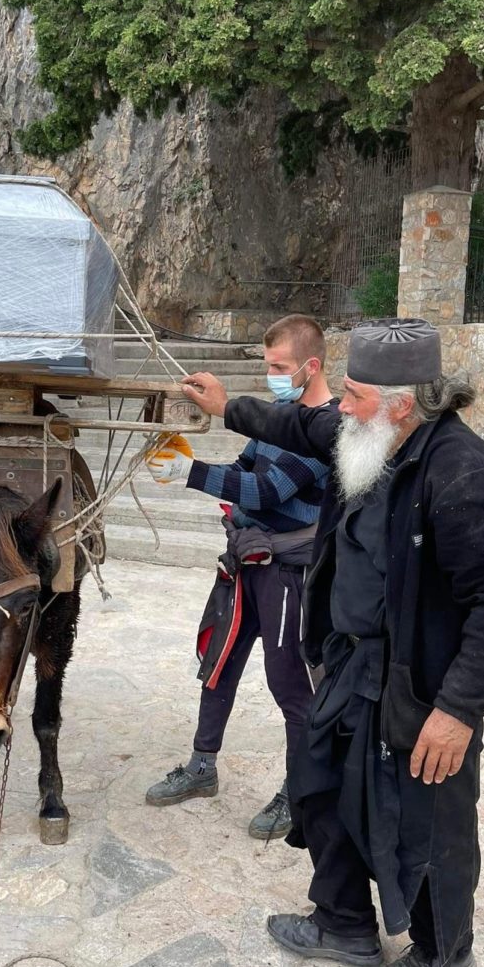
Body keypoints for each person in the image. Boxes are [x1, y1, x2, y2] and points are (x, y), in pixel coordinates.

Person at [180, 318, 484, 967]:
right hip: (347, 666)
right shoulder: (360, 434)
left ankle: (444, 950)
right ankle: (343, 923)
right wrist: (226, 408)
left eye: (355, 395)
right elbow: (295, 424)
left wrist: (458, 711)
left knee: (428, 818)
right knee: (319, 787)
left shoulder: (464, 474)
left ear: (404, 403)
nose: (340, 407)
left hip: (419, 683)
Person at [144, 315, 335, 840]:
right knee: (218, 663)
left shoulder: (326, 428)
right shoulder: (277, 416)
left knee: (290, 686)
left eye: (280, 367)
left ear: (310, 367)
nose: (272, 375)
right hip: (245, 562)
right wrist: (194, 460)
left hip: (288, 574)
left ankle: (300, 794)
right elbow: (248, 467)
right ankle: (202, 766)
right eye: (268, 364)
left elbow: (266, 492)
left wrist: (191, 474)